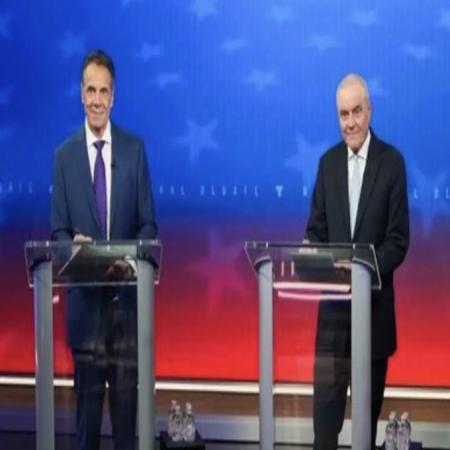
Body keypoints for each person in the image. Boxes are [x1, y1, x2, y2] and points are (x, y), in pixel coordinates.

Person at [51, 49, 157, 450]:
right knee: (87, 434)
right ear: (81, 94)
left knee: (127, 434)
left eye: (104, 91)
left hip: (126, 315)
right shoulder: (63, 157)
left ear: (114, 97)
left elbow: (148, 225)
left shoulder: (134, 150)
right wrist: (76, 252)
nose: (97, 100)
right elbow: (57, 234)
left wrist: (127, 261)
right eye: (91, 90)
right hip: (86, 320)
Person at [305, 73, 409, 450]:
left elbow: (398, 241)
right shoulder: (327, 164)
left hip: (373, 320)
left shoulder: (391, 163)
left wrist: (362, 267)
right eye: (343, 114)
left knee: (364, 432)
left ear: (369, 111)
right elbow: (315, 229)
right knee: (324, 433)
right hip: (332, 322)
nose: (349, 122)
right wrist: (312, 250)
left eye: (356, 112)